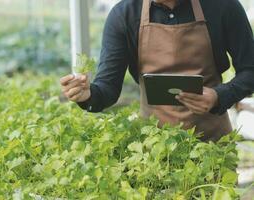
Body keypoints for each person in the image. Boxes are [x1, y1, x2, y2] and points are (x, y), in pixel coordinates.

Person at [60, 0, 254, 141]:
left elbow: (250, 71)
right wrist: (87, 95)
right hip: (154, 147)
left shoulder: (222, 6)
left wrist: (218, 97)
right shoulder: (125, 14)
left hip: (213, 143)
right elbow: (107, 88)